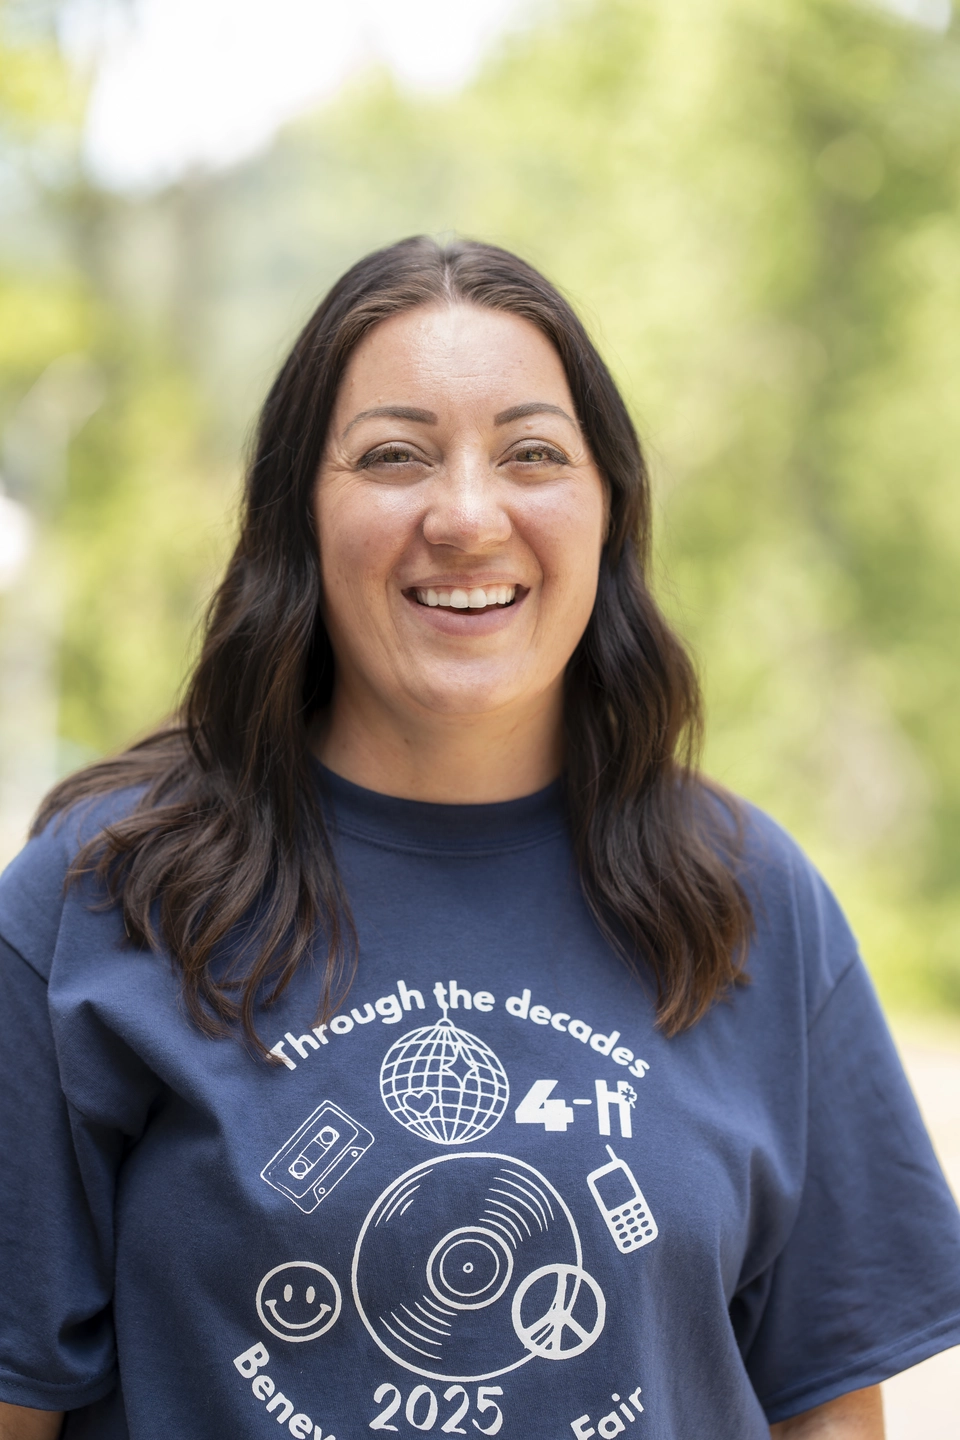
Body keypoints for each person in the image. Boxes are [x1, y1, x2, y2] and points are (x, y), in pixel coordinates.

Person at [1, 237, 958, 1440]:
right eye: (394, 455)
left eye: (533, 454)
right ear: (301, 512)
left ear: (607, 509)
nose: (465, 514)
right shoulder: (96, 902)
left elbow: (827, 1411)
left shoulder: (749, 901)